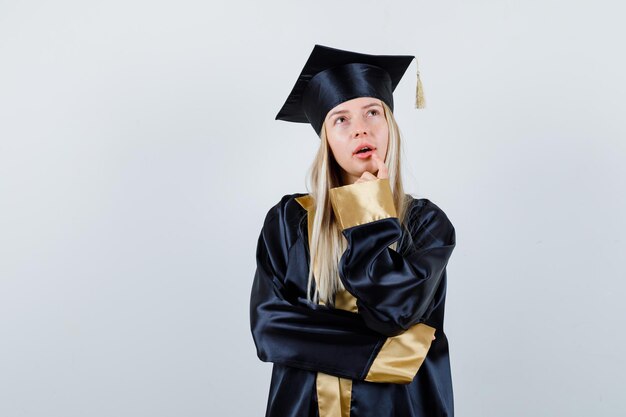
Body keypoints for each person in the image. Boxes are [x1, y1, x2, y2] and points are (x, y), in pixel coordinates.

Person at [249, 44, 457, 417]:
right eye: (340, 119)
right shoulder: (288, 220)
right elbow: (269, 330)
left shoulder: (426, 224)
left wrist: (368, 213)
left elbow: (391, 312)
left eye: (372, 112)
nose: (360, 127)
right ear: (325, 138)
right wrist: (396, 352)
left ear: (390, 124)